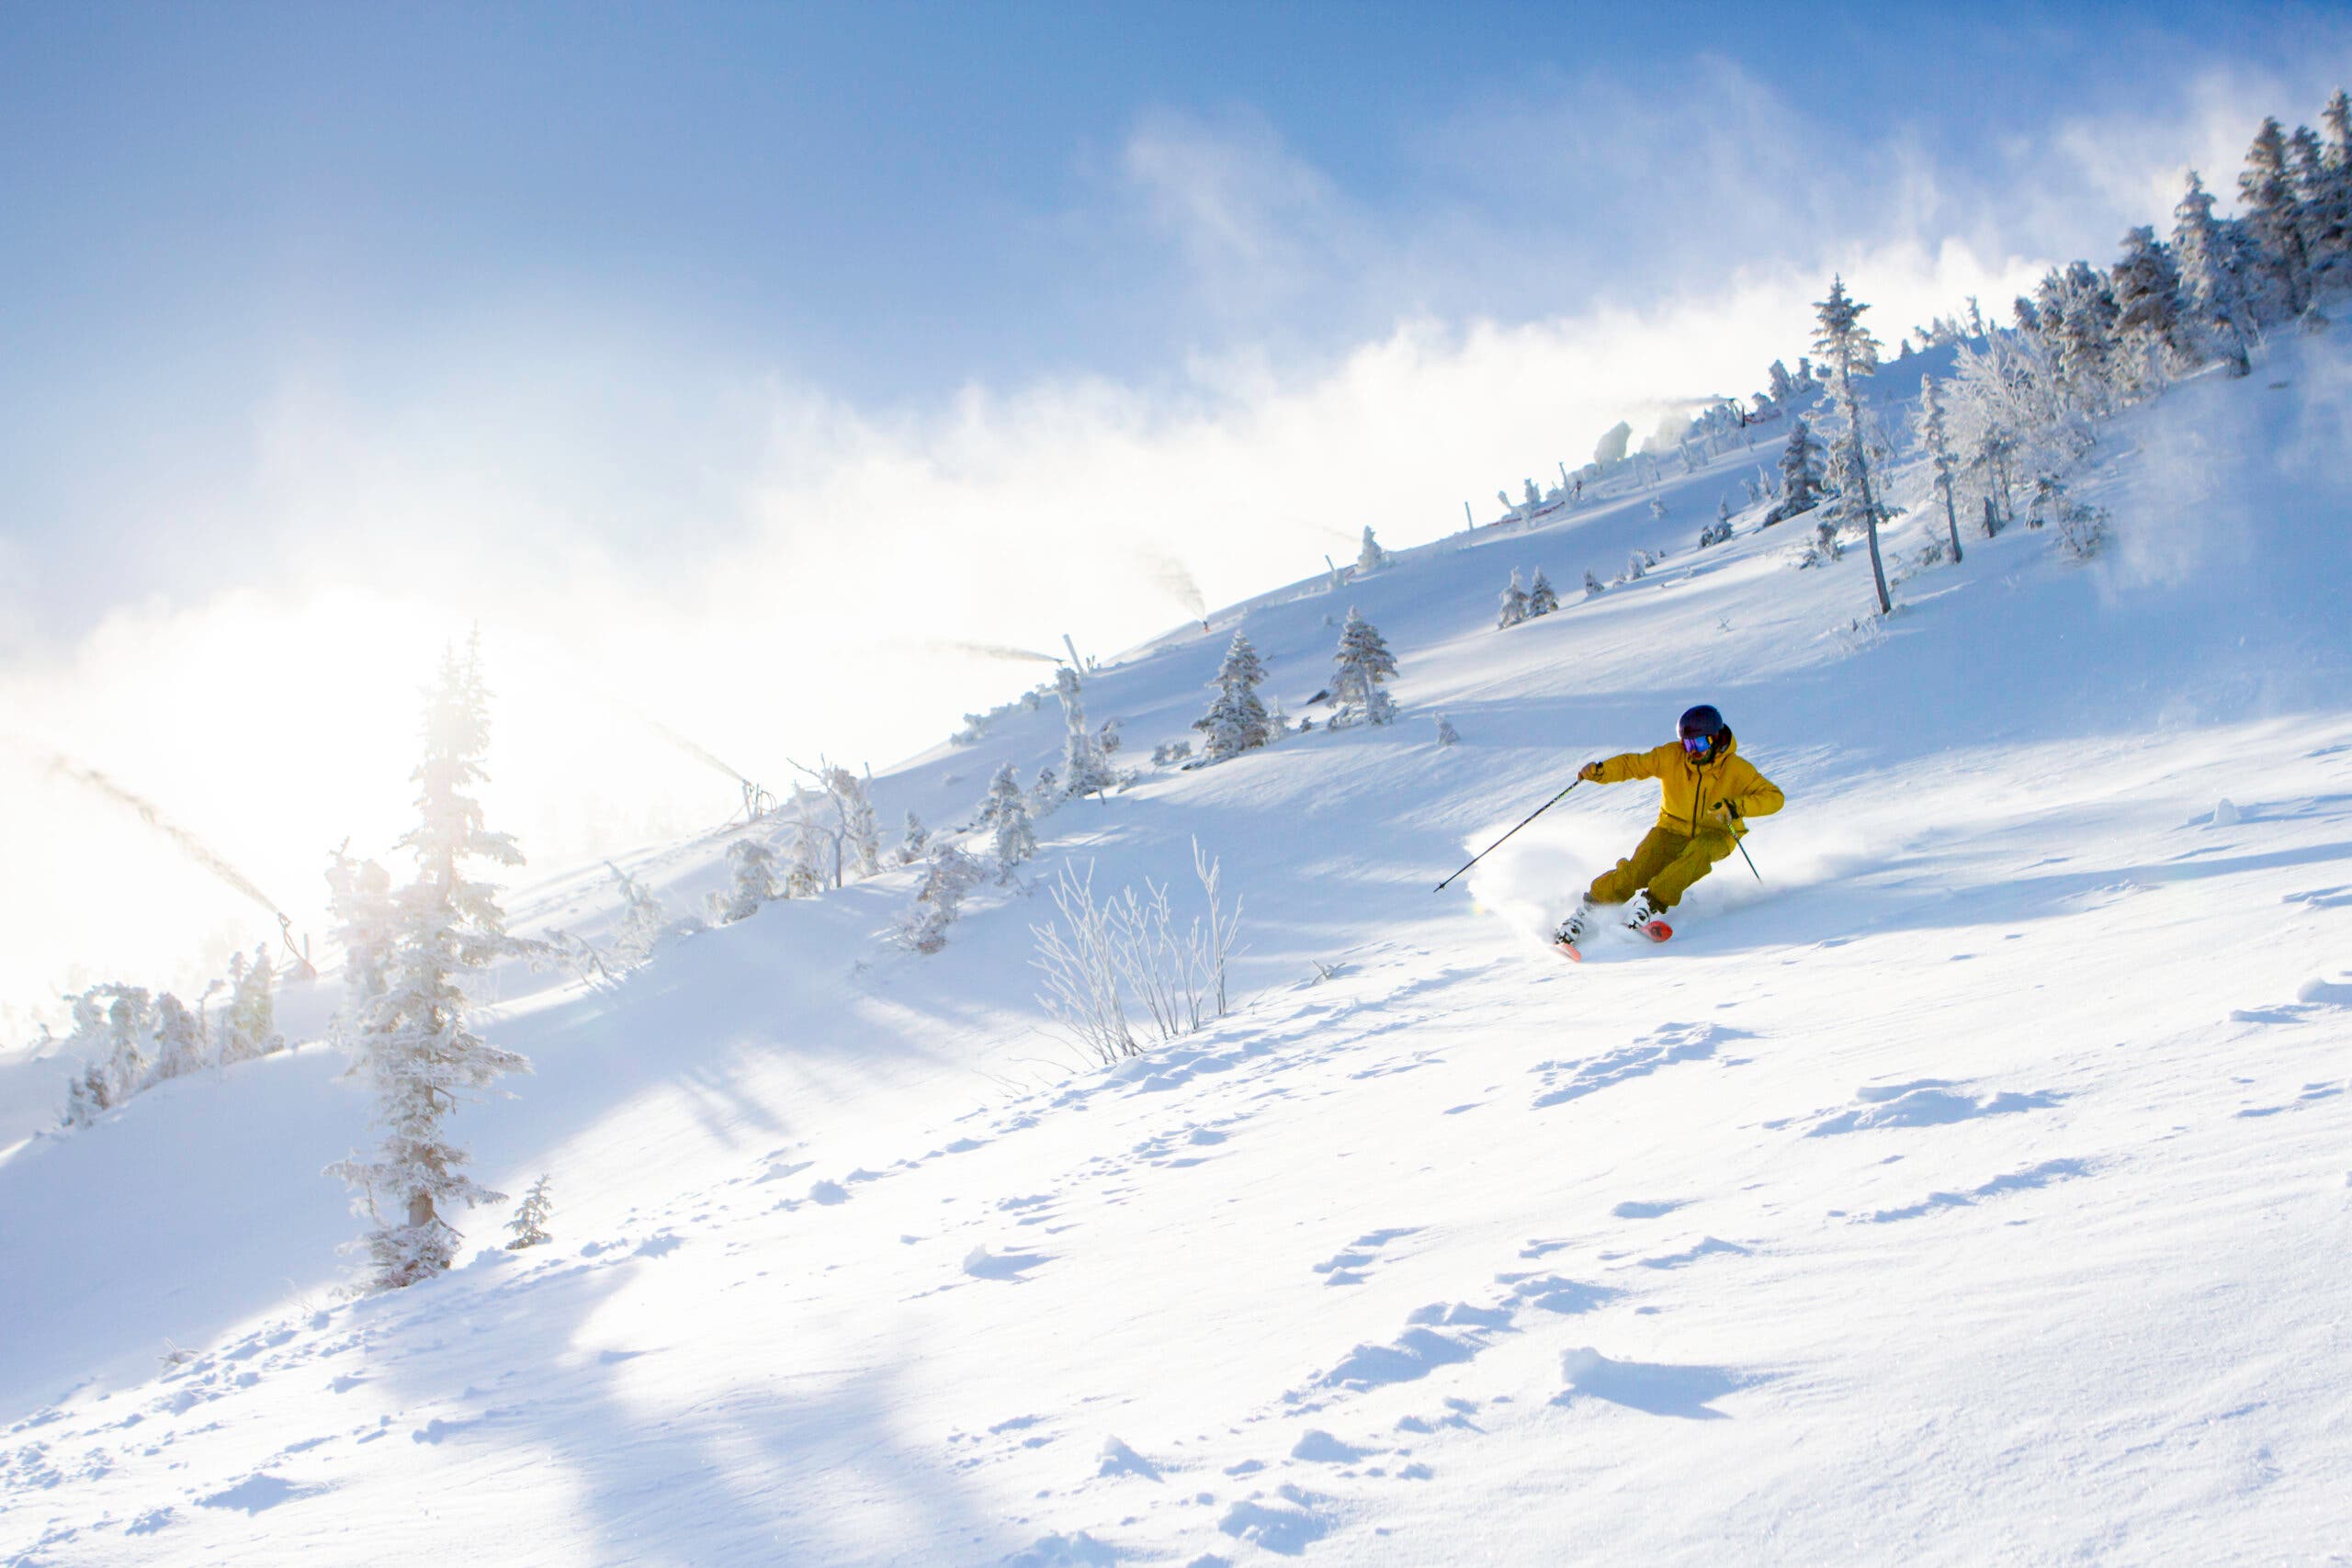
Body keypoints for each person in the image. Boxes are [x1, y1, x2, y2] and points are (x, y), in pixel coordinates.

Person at [1554, 704, 1784, 948]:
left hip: (1716, 833)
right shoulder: (1672, 756)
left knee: (1698, 853)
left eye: (1700, 744)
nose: (1693, 752)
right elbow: (1635, 764)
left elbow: (1774, 798)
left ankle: (1649, 905)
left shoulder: (1737, 769)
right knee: (1638, 869)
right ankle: (1588, 913)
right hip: (1671, 828)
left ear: (1715, 739)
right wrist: (1601, 772)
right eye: (1688, 744)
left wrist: (1737, 807)